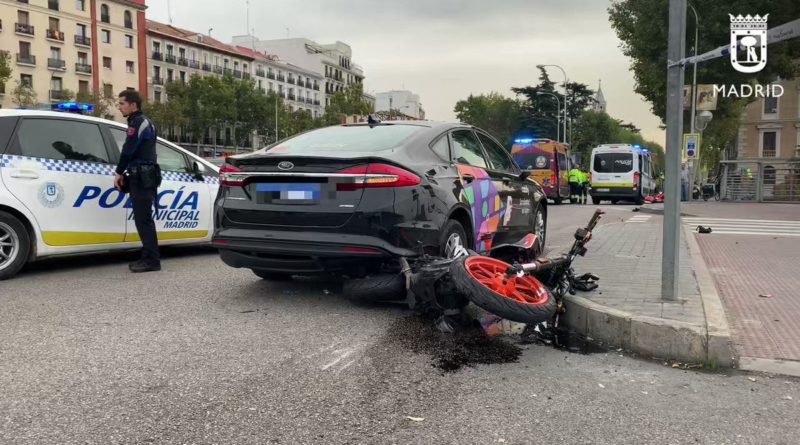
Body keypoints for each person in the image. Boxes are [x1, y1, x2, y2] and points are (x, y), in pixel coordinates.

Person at [114, 90, 161, 273]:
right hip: (143, 175)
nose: (120, 107)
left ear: (133, 105)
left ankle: (152, 260)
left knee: (143, 220)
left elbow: (128, 149)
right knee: (143, 219)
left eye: (122, 104)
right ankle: (148, 256)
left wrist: (119, 172)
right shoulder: (142, 121)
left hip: (141, 177)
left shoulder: (138, 123)